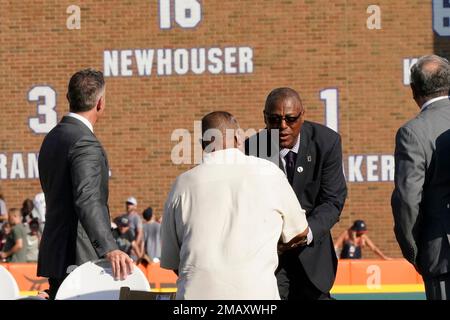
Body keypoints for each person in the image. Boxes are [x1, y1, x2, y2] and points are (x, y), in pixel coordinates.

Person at [161, 111, 309, 300]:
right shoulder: (270, 173)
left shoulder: (182, 185)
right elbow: (300, 232)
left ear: (202, 145)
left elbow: (173, 260)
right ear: (239, 137)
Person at [37, 68, 133, 300]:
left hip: (57, 255)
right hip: (79, 258)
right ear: (100, 104)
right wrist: (110, 248)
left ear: (69, 98)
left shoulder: (52, 138)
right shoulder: (85, 143)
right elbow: (88, 199)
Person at [246, 87, 347, 300]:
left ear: (303, 115)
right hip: (271, 259)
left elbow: (333, 200)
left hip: (313, 256)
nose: (283, 126)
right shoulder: (251, 149)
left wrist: (305, 232)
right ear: (265, 118)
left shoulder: (326, 142)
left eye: (290, 119)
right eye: (274, 119)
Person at [391, 54, 450, 300]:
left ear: (414, 90)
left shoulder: (412, 133)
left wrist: (415, 251)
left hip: (443, 257)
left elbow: (407, 201)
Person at [114, 197, 144, 261]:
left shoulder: (136, 218)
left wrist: (134, 247)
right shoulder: (124, 216)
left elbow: (140, 233)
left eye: (131, 204)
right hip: (123, 244)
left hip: (131, 247)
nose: (128, 205)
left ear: (135, 206)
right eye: (127, 203)